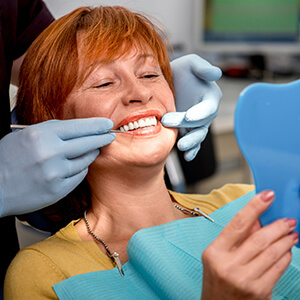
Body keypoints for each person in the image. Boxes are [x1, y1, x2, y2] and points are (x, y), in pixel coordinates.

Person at [6, 5, 296, 300]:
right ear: (52, 124)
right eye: (104, 82)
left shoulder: (252, 201)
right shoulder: (44, 273)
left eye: (149, 74)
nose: (141, 93)